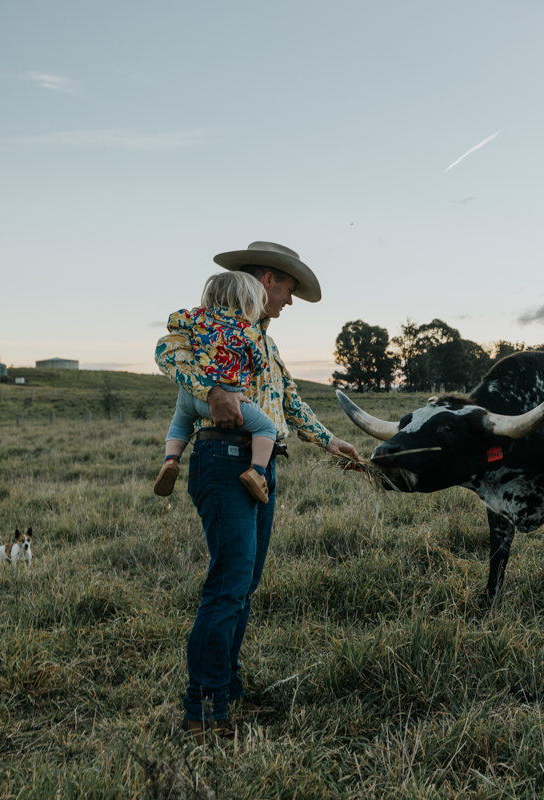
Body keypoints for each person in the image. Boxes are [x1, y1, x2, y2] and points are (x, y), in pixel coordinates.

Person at [155, 241, 360, 743]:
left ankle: (227, 689)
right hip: (223, 457)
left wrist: (330, 440)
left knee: (243, 587)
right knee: (228, 585)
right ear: (268, 279)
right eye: (289, 288)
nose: (290, 300)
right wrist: (213, 389)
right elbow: (165, 352)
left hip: (260, 468)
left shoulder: (265, 344)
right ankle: (203, 709)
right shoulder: (209, 327)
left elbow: (289, 400)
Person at [153, 270, 277, 504]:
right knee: (268, 429)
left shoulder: (196, 319)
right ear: (248, 302)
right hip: (224, 398)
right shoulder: (247, 331)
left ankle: (170, 460)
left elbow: (174, 326)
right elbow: (259, 365)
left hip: (188, 395)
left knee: (179, 424)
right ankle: (257, 473)